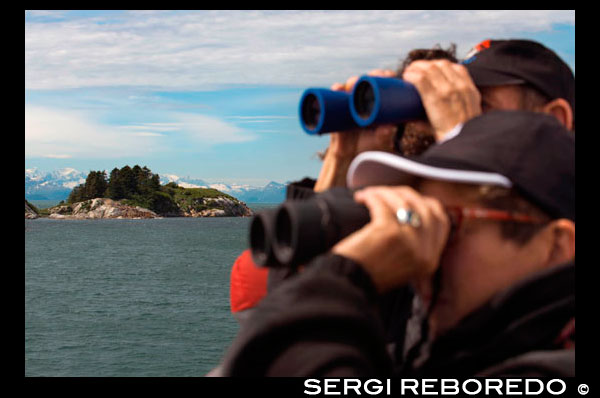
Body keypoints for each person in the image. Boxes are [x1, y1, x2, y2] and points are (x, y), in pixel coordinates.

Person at [219, 110, 575, 377]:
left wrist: (341, 278)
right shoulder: (451, 351)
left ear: (558, 247)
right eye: (419, 218)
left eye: (448, 224)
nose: (423, 251)